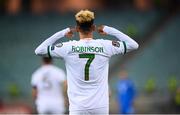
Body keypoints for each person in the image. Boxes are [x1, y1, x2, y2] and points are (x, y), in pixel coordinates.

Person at [34, 10, 139, 114]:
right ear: (93, 28)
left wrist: (63, 32)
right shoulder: (105, 45)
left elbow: (39, 50)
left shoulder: (68, 47)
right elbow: (134, 45)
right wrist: (109, 30)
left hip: (78, 107)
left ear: (77, 28)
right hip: (100, 107)